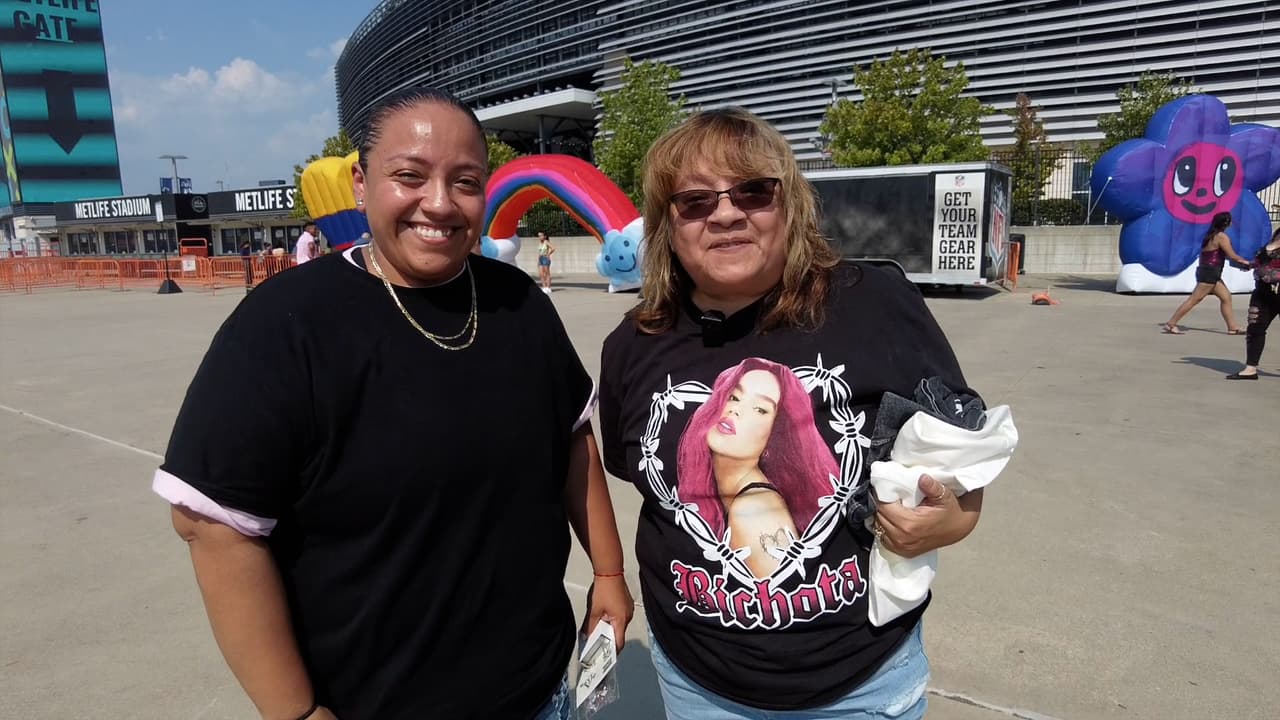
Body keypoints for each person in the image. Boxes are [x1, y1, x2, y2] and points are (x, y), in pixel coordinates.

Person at [152, 87, 632, 720]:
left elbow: (573, 440)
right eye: (410, 176)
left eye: (465, 181)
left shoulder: (519, 304)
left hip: (539, 691)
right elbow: (212, 524)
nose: (439, 202)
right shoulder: (285, 324)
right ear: (361, 183)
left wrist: (607, 572)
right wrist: (294, 711)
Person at [599, 107, 984, 719]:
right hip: (699, 684)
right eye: (695, 201)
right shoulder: (633, 344)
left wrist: (956, 519)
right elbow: (637, 477)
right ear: (667, 224)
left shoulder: (875, 303)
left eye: (753, 191)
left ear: (791, 204)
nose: (726, 214)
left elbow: (959, 455)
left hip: (860, 683)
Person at [676, 357, 839, 578]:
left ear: (774, 437)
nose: (735, 410)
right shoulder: (722, 489)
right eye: (734, 397)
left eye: (760, 409)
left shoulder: (752, 510)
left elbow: (783, 595)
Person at [1162, 211, 1249, 334]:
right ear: (1226, 223)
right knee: (1194, 299)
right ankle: (1171, 324)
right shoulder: (1221, 237)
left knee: (1226, 297)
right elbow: (1232, 255)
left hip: (1209, 271)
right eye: (1230, 221)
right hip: (1210, 273)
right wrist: (1246, 262)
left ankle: (1232, 327)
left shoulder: (1210, 235)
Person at [1226, 226, 1280, 379]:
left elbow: (1269, 255)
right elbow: (1262, 259)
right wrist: (1249, 264)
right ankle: (1250, 368)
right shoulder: (1273, 240)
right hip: (1263, 293)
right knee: (1255, 328)